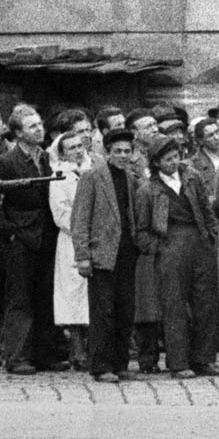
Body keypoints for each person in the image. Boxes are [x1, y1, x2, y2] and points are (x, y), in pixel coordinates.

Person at [137, 133, 219, 378]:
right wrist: (158, 247)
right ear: (156, 163)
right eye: (167, 159)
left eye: (176, 157)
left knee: (206, 303)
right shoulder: (148, 190)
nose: (173, 163)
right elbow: (141, 229)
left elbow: (207, 210)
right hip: (169, 245)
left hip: (199, 241)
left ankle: (203, 359)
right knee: (174, 306)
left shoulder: (192, 178)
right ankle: (179, 361)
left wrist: (211, 237)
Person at [0, 105, 61, 374]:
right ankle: (17, 357)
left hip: (47, 236)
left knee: (46, 296)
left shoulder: (49, 158)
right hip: (20, 239)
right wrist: (11, 232)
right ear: (18, 133)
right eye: (32, 126)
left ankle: (45, 354)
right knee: (19, 299)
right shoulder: (5, 162)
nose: (39, 129)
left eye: (40, 124)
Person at [70, 126, 140, 383]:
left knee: (125, 310)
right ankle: (101, 365)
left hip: (126, 253)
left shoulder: (131, 179)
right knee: (103, 312)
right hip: (102, 254)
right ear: (107, 152)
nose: (123, 155)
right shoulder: (92, 177)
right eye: (118, 151)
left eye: (127, 151)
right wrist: (83, 255)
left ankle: (120, 363)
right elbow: (80, 218)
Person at [48, 127, 92, 370]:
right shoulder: (59, 176)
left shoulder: (91, 170)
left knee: (90, 292)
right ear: (62, 154)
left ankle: (91, 346)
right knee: (73, 293)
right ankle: (77, 349)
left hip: (91, 239)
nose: (77, 151)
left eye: (79, 146)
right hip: (71, 240)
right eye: (71, 148)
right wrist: (80, 227)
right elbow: (60, 211)